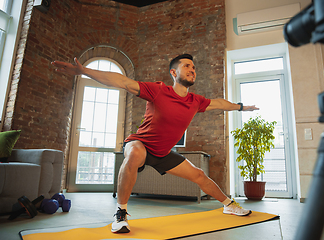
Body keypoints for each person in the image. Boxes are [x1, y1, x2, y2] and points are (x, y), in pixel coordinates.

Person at [51, 54, 259, 234]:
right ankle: (121, 214)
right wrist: (84, 71)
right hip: (140, 144)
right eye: (187, 66)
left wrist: (241, 107)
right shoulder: (158, 91)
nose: (192, 70)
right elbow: (122, 81)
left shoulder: (195, 101)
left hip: (163, 153)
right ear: (173, 72)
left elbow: (219, 103)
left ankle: (228, 205)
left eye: (194, 67)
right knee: (135, 154)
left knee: (199, 175)